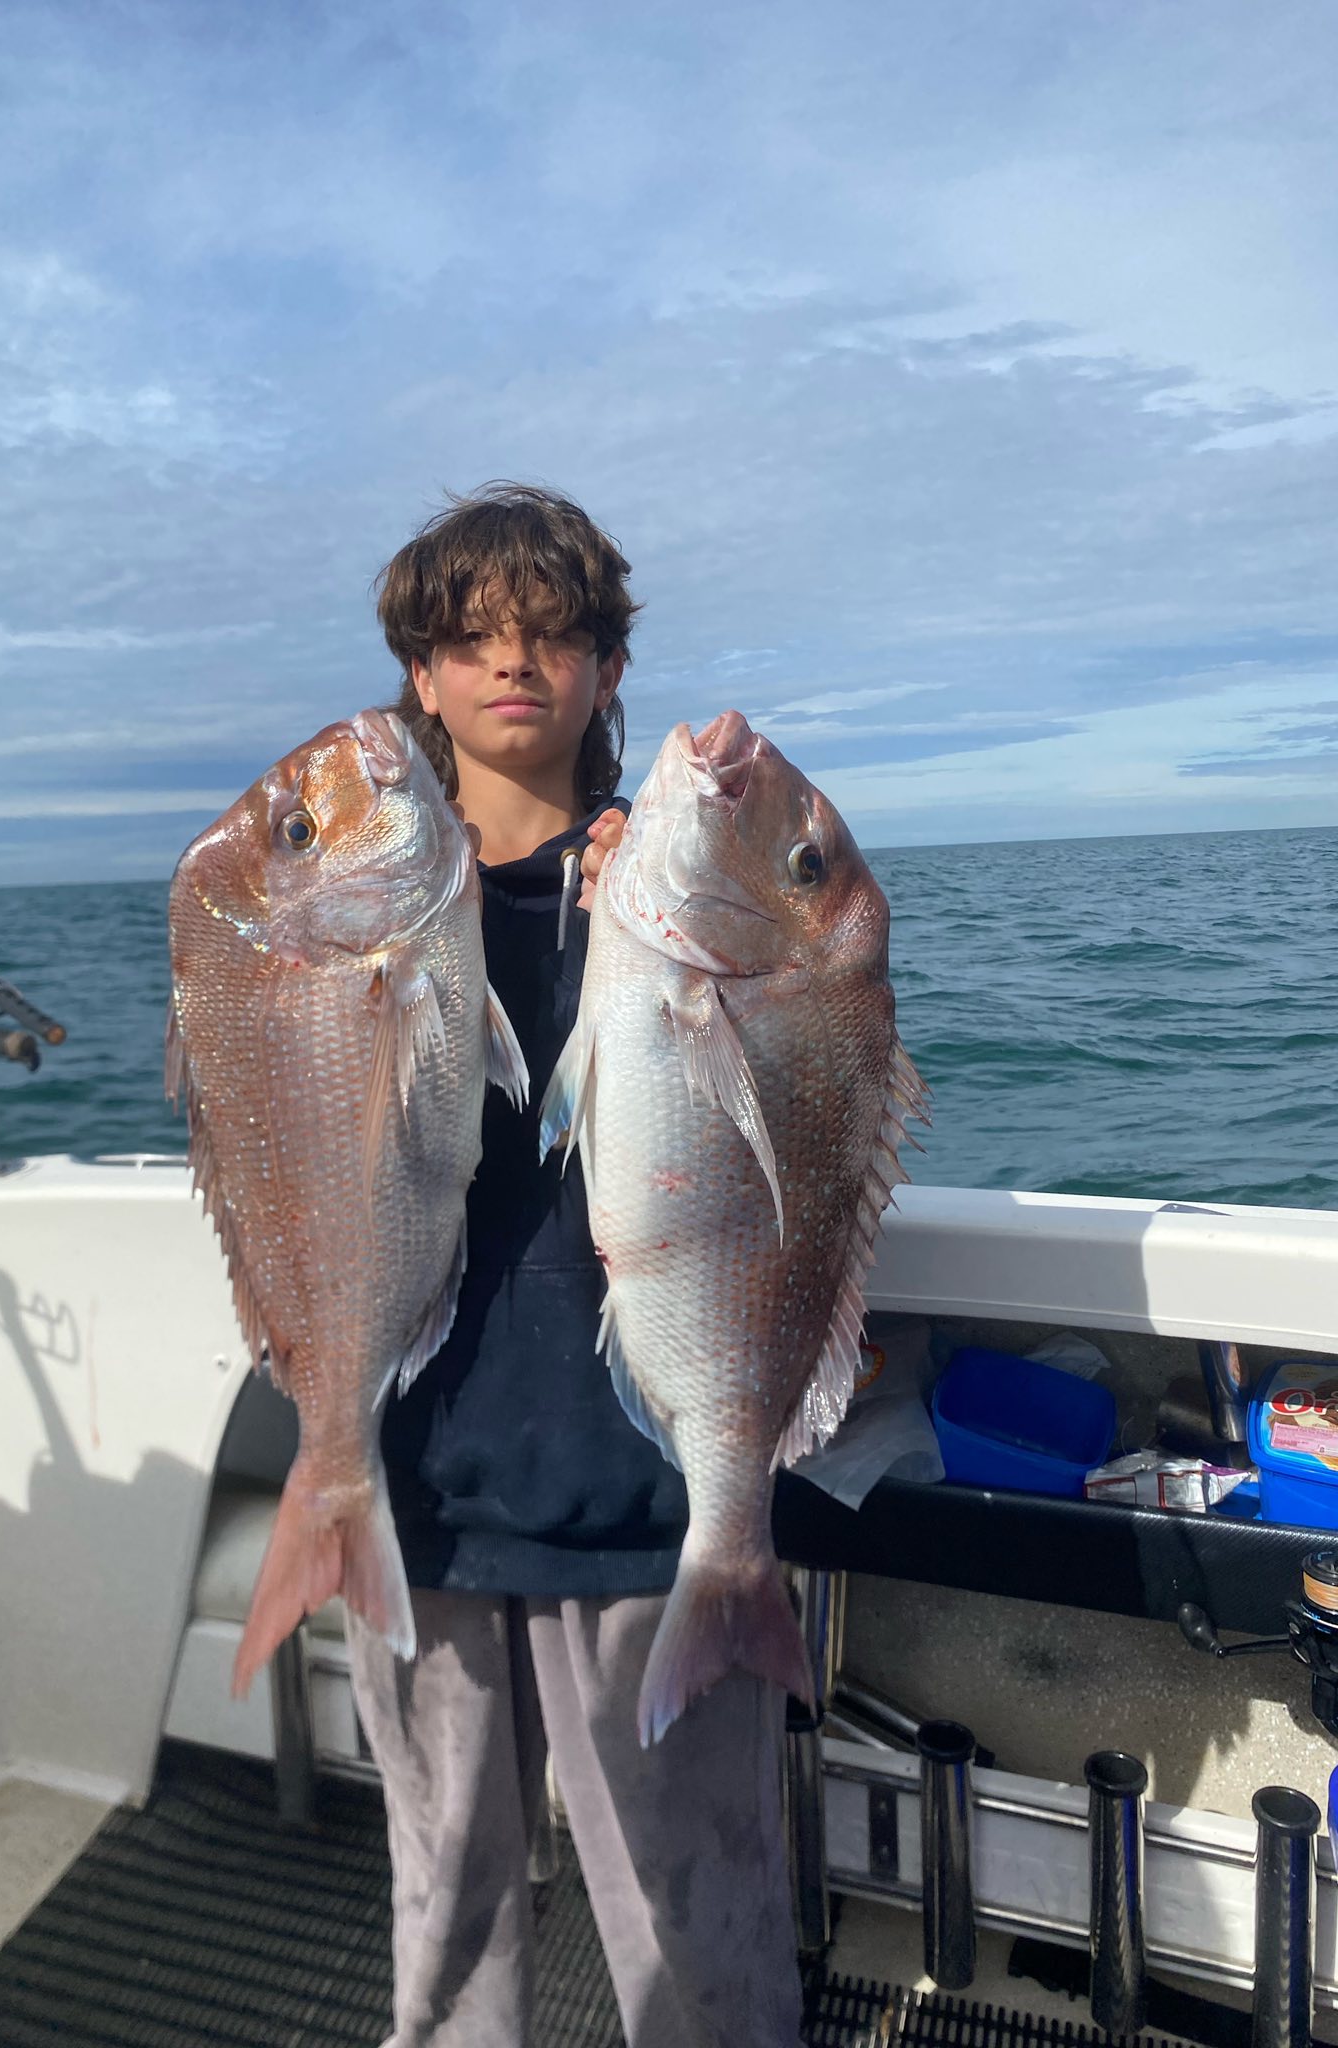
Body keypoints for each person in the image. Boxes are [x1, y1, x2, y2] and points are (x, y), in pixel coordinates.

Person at [348, 482, 804, 2048]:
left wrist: (692, 937)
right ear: (423, 678)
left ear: (608, 670)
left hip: (653, 1495)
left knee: (704, 1928)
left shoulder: (686, 889)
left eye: (551, 632)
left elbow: (807, 1143)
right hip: (417, 1488)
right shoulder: (355, 913)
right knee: (444, 1914)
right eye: (471, 636)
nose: (512, 661)